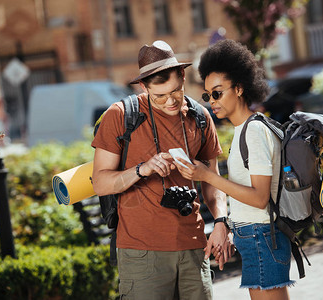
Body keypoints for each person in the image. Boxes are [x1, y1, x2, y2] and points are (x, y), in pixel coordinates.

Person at [91, 40, 232, 300]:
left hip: (194, 247)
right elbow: (100, 183)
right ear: (144, 86)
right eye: (159, 96)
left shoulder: (200, 117)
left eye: (176, 92)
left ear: (182, 76)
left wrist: (222, 221)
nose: (170, 101)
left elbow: (213, 182)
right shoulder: (120, 116)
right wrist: (142, 169)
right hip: (142, 253)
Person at [174, 39, 295, 300]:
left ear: (239, 88)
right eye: (207, 95)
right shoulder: (244, 129)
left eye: (218, 93)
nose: (212, 101)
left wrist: (206, 176)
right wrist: (228, 226)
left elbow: (259, 197)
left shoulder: (254, 130)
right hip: (253, 236)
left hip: (262, 236)